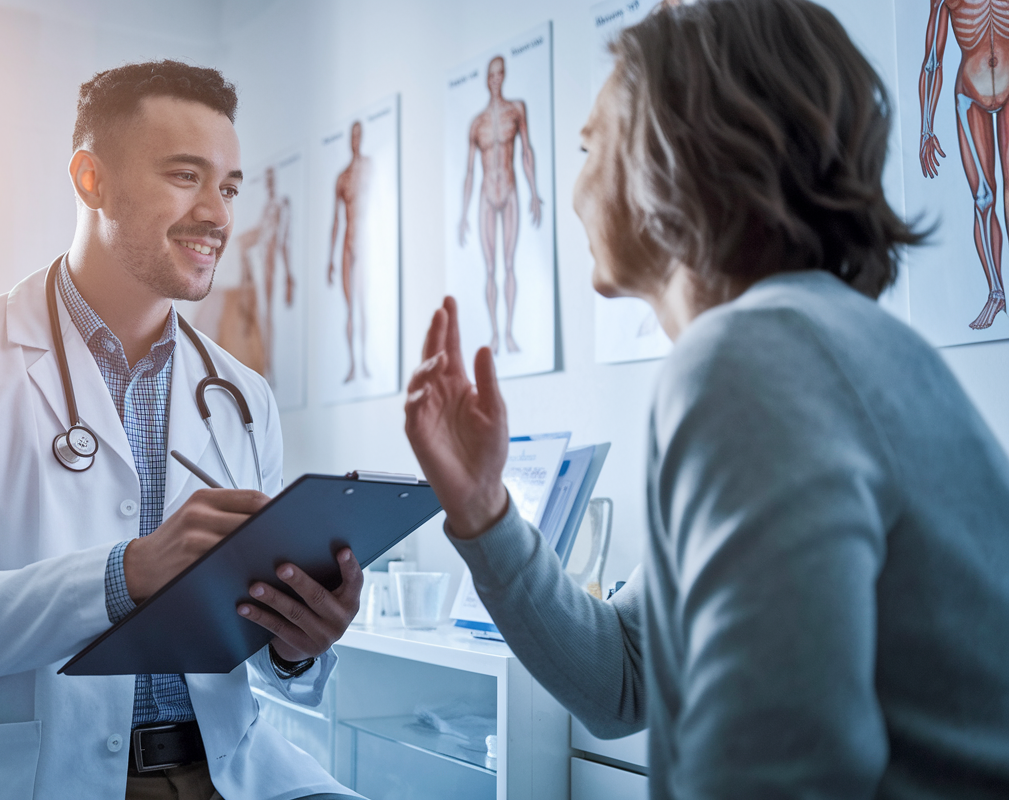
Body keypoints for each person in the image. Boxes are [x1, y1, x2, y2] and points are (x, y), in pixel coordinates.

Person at [405, 1, 1009, 798]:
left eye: (592, 144)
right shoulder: (814, 344)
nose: (579, 184)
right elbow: (624, 678)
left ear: (677, 153)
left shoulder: (755, 359)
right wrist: (485, 513)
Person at [0, 61, 361, 800]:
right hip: (28, 780)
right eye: (185, 176)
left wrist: (294, 642)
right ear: (91, 180)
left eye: (227, 187)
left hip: (221, 772)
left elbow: (248, 641)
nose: (218, 215)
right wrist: (125, 575)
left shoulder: (242, 396)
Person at [919, 0, 1009, 329]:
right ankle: (996, 293)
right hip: (969, 95)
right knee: (984, 198)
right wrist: (926, 128)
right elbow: (932, 60)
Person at [458, 55, 543, 355]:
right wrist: (462, 214)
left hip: (509, 190)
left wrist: (534, 192)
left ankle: (508, 333)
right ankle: (494, 333)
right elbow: (469, 173)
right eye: (491, 75)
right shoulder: (477, 123)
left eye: (500, 74)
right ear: (486, 79)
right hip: (485, 194)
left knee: (509, 264)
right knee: (490, 268)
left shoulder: (515, 110)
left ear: (504, 77)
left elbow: (526, 153)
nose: (496, 79)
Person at [235, 166, 294, 374]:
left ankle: (268, 365)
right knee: (259, 314)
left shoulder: (280, 205)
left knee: (267, 314)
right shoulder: (267, 206)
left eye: (271, 178)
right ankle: (263, 364)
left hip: (270, 264)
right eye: (266, 179)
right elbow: (260, 233)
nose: (269, 183)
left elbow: (284, 241)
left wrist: (289, 276)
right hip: (260, 262)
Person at [327, 121, 372, 383]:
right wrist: (330, 260)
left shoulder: (369, 168)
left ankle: (363, 361)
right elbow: (335, 221)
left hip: (365, 240)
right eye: (352, 136)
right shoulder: (342, 177)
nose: (355, 140)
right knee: (350, 308)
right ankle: (353, 365)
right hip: (347, 242)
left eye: (358, 135)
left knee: (363, 304)